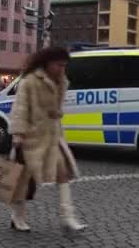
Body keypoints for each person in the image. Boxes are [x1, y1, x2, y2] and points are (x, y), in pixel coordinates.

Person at [9, 46, 86, 232]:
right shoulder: (29, 81)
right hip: (32, 137)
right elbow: (20, 109)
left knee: (63, 174)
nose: (62, 69)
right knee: (23, 180)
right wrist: (18, 135)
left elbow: (57, 107)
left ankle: (67, 216)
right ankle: (17, 216)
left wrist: (56, 112)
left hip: (53, 135)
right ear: (48, 63)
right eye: (59, 65)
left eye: (64, 66)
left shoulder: (61, 81)